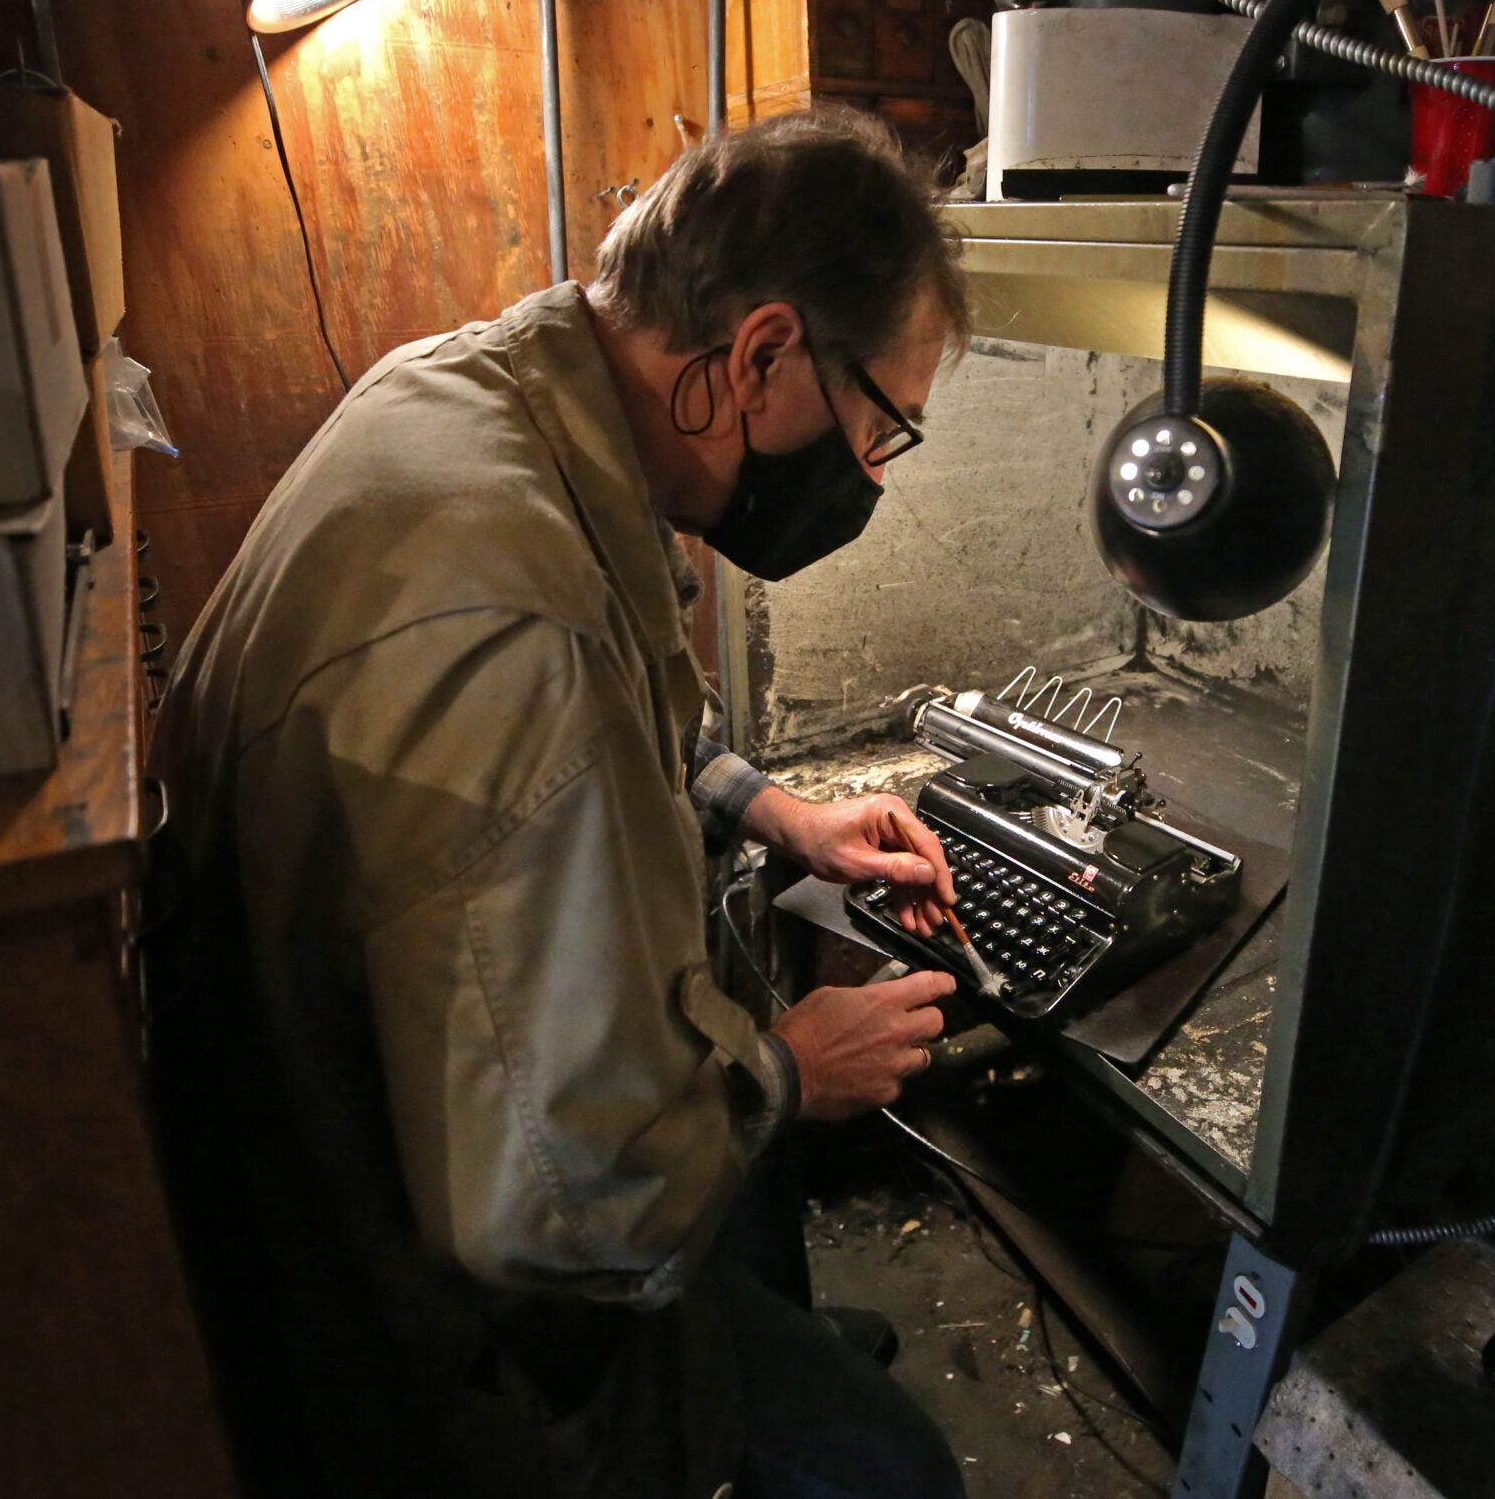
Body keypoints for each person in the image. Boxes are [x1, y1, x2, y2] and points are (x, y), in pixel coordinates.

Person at [152, 111, 975, 1499]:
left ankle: (757, 1352)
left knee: (740, 1125)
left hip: (357, 1153)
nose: (875, 477)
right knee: (892, 1472)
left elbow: (629, 696)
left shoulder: (482, 392)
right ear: (765, 352)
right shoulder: (508, 609)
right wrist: (790, 1065)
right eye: (883, 423)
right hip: (417, 1323)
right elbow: (574, 1203)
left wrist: (774, 809)